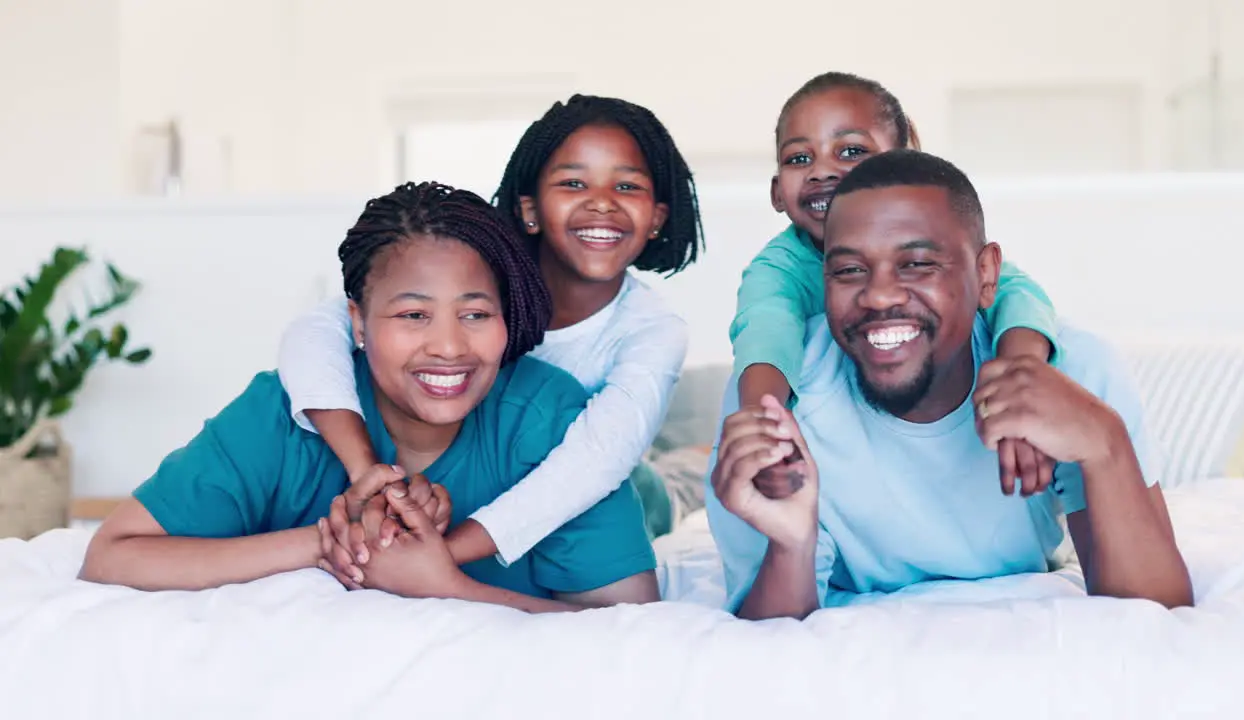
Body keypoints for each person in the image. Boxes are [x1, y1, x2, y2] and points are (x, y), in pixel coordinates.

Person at [79, 182, 659, 614]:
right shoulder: (285, 413)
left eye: (476, 314)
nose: (449, 347)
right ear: (356, 322)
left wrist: (451, 588)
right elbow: (112, 555)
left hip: (644, 490)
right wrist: (328, 546)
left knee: (661, 489)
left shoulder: (549, 419)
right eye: (413, 315)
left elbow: (634, 626)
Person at [706, 149, 1193, 620]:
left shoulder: (1073, 372)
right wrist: (791, 546)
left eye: (917, 264)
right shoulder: (777, 404)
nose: (878, 296)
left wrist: (1105, 445)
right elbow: (764, 643)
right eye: (850, 270)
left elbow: (1158, 611)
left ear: (986, 275)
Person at [276, 97, 702, 587]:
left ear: (657, 217)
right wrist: (365, 472)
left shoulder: (654, 330)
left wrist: (437, 559)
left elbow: (594, 466)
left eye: (626, 186)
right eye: (573, 183)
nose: (602, 202)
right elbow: (312, 333)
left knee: (675, 479)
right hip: (480, 478)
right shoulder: (476, 269)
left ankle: (695, 458)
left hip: (623, 486)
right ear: (529, 209)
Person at [735, 72, 1062, 499]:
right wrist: (764, 433)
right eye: (799, 159)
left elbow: (1018, 295)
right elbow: (764, 330)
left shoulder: (949, 249)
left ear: (906, 162)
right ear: (777, 193)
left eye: (851, 151)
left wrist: (1022, 384)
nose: (821, 171)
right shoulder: (777, 269)